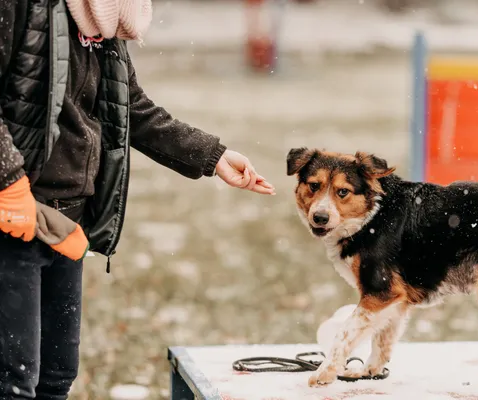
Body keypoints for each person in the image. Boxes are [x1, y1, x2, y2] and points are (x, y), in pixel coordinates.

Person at [0, 0, 275, 398]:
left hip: (68, 223)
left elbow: (134, 110)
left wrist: (212, 156)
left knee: (56, 377)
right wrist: (9, 181)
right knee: (13, 382)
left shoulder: (104, 23)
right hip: (14, 219)